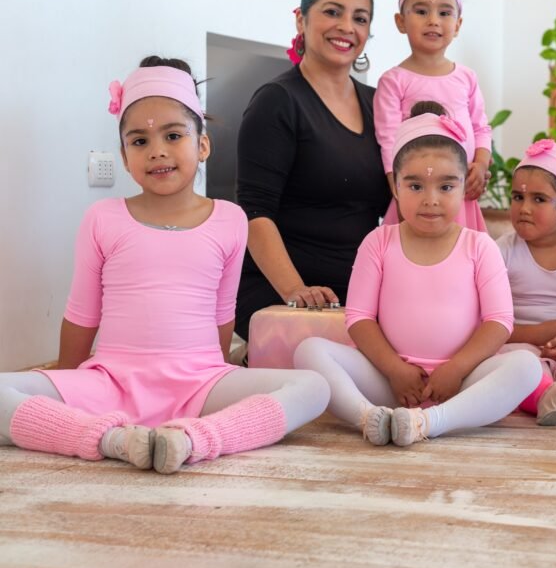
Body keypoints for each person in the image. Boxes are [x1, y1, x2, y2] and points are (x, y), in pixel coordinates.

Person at [0, 58, 329, 474]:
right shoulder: (103, 217)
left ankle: (194, 439)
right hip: (111, 382)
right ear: (125, 157)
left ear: (202, 145)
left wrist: (218, 376)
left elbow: (222, 314)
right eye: (139, 141)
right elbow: (82, 315)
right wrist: (67, 389)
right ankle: (110, 439)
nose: (156, 150)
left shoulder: (230, 219)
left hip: (199, 382)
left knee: (313, 387)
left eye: (173, 135)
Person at [293, 111, 542, 447]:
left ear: (464, 187)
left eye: (446, 186)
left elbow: (499, 322)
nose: (431, 199)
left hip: (462, 380)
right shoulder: (379, 242)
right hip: (386, 378)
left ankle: (429, 422)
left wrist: (456, 369)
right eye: (415, 186)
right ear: (395, 186)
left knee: (526, 366)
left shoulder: (479, 245)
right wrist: (394, 370)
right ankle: (369, 418)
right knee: (309, 351)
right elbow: (359, 317)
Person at [235, 0, 390, 340]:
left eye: (360, 18)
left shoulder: (379, 105)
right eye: (332, 12)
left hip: (357, 292)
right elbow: (255, 213)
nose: (346, 27)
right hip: (280, 291)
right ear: (300, 19)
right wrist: (296, 291)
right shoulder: (277, 101)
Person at [374, 0, 491, 232]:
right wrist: (399, 191)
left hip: (458, 193)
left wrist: (480, 165)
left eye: (444, 13)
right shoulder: (393, 81)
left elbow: (481, 128)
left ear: (458, 25)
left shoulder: (466, 77)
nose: (433, 20)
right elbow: (389, 141)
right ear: (401, 21)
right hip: (415, 196)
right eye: (421, 11)